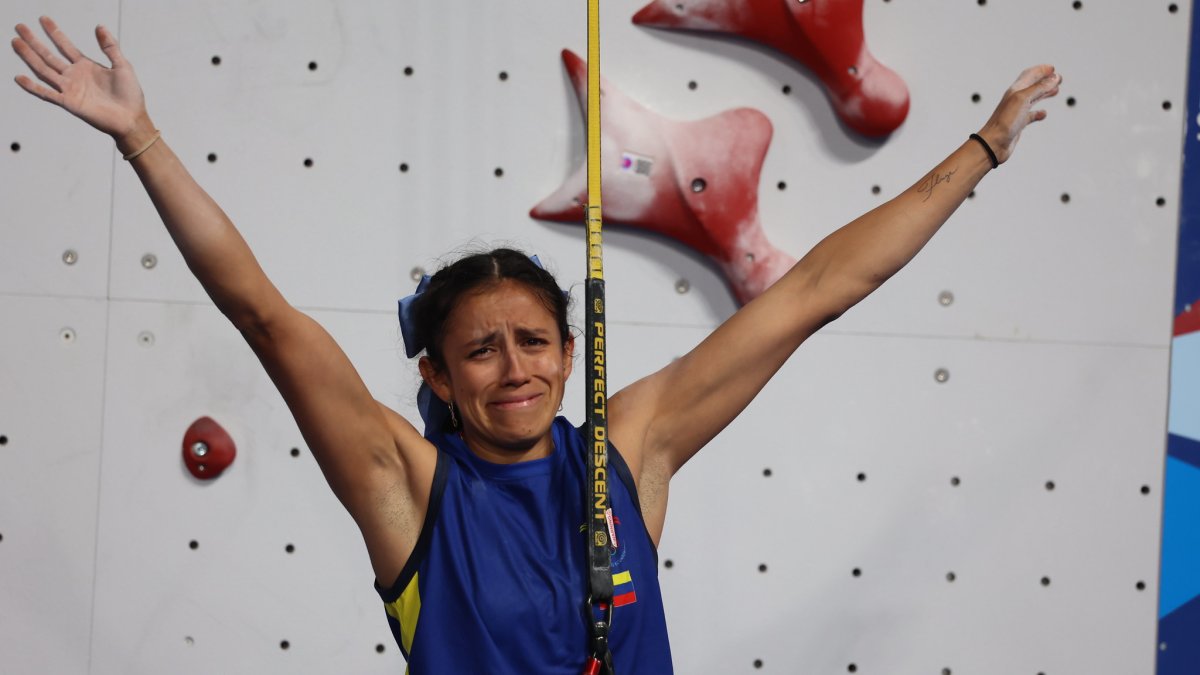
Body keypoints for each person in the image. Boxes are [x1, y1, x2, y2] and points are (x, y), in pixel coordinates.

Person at [11, 15, 1061, 674]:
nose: (515, 368)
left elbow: (820, 290)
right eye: (481, 351)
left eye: (533, 342)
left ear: (567, 353)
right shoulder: (407, 485)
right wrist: (140, 138)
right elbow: (262, 314)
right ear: (435, 374)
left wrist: (984, 147)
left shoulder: (630, 446)